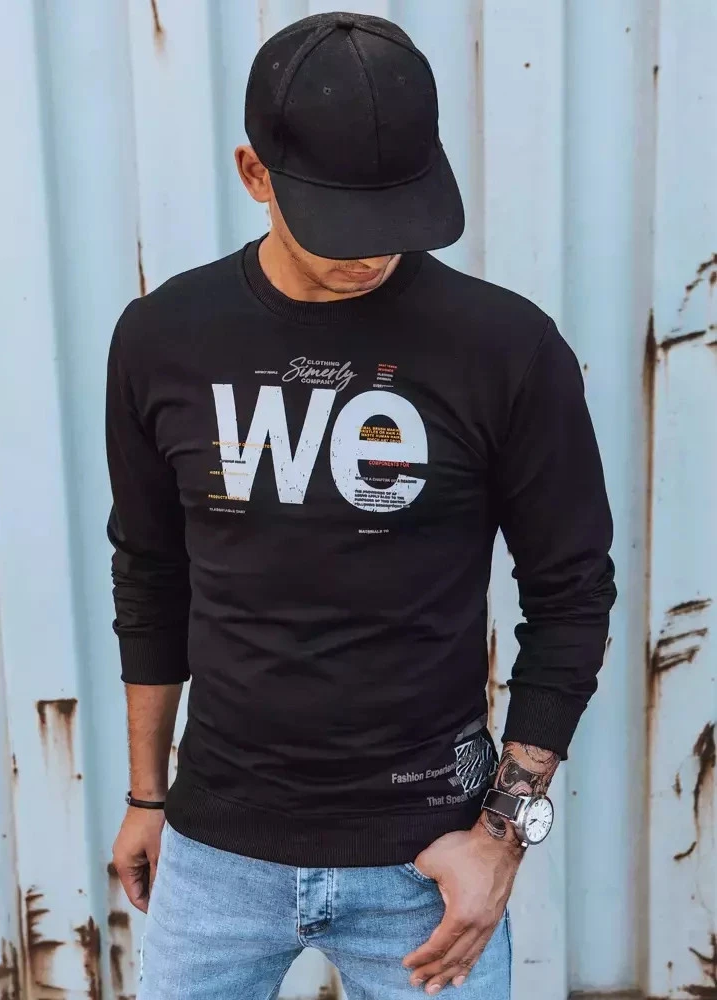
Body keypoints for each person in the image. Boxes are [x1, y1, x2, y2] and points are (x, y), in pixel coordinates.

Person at [106, 12, 615, 1000]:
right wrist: (146, 794)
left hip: (426, 862)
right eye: (343, 219)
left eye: (398, 212)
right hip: (215, 851)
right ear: (255, 175)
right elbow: (151, 573)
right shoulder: (164, 338)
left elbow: (571, 595)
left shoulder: (506, 349)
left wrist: (501, 839)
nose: (373, 249)